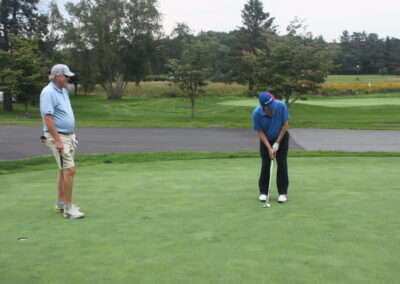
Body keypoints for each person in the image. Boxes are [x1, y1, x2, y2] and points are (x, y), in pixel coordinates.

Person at [40, 64, 84, 219]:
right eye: (66, 76)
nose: (68, 78)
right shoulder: (48, 92)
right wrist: (58, 141)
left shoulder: (64, 91)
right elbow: (47, 118)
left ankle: (60, 204)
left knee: (63, 169)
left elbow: (65, 113)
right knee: (70, 170)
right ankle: (69, 208)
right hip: (57, 136)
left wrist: (72, 132)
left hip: (68, 136)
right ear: (57, 76)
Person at [252, 91, 290, 203]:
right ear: (263, 106)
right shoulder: (256, 114)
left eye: (272, 105)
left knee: (282, 163)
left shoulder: (281, 106)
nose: (272, 109)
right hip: (266, 139)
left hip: (281, 137)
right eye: (269, 107)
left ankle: (283, 193)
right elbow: (260, 132)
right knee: (266, 164)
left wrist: (277, 143)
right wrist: (269, 147)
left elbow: (285, 125)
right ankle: (264, 192)